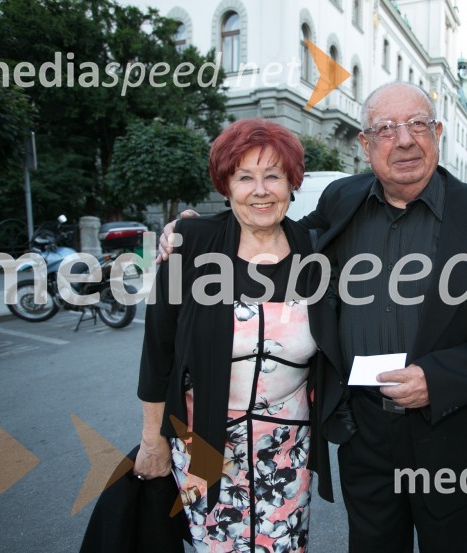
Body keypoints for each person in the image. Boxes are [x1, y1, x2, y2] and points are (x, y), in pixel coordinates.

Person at [159, 82, 467, 552]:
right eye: (384, 128)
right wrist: (194, 230)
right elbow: (275, 232)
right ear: (365, 145)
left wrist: (437, 378)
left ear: (437, 132)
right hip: (364, 432)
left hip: (453, 434)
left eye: (416, 124)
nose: (403, 140)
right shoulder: (342, 201)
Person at [135, 119, 339, 552]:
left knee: (280, 546)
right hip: (201, 441)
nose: (260, 190)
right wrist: (151, 442)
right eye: (244, 177)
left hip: (287, 447)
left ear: (292, 183)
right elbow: (158, 354)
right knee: (216, 546)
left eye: (273, 176)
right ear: (226, 186)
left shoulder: (317, 252)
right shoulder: (191, 246)